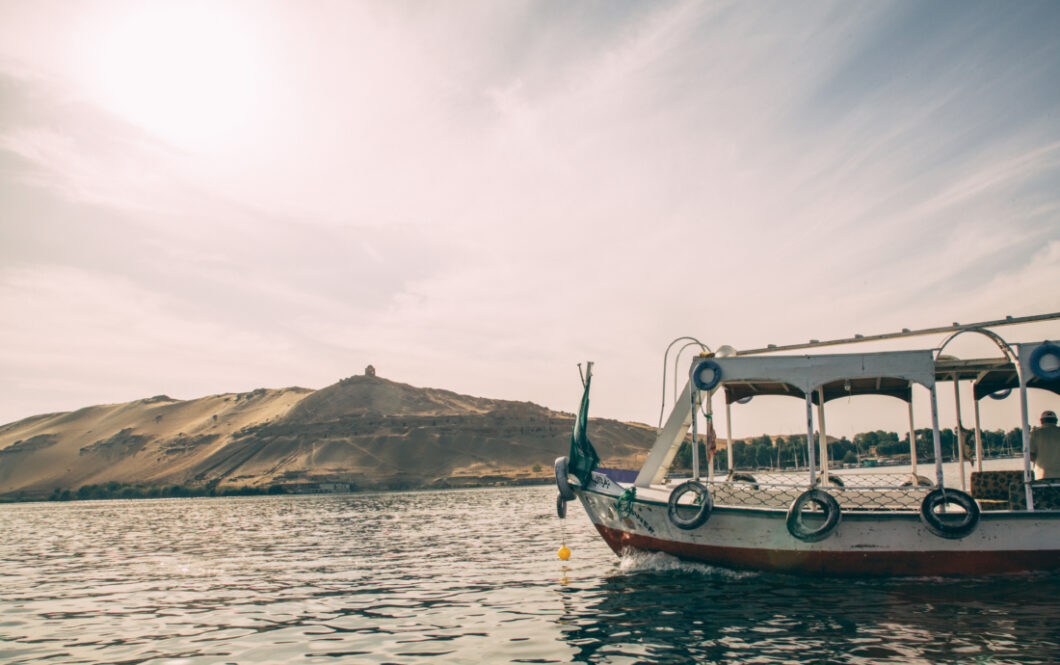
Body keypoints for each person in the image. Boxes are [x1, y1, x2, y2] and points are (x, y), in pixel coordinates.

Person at [1030, 410, 1060, 479]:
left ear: (1041, 421)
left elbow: (1031, 456)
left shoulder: (1035, 434)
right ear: (1056, 421)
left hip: (1041, 476)